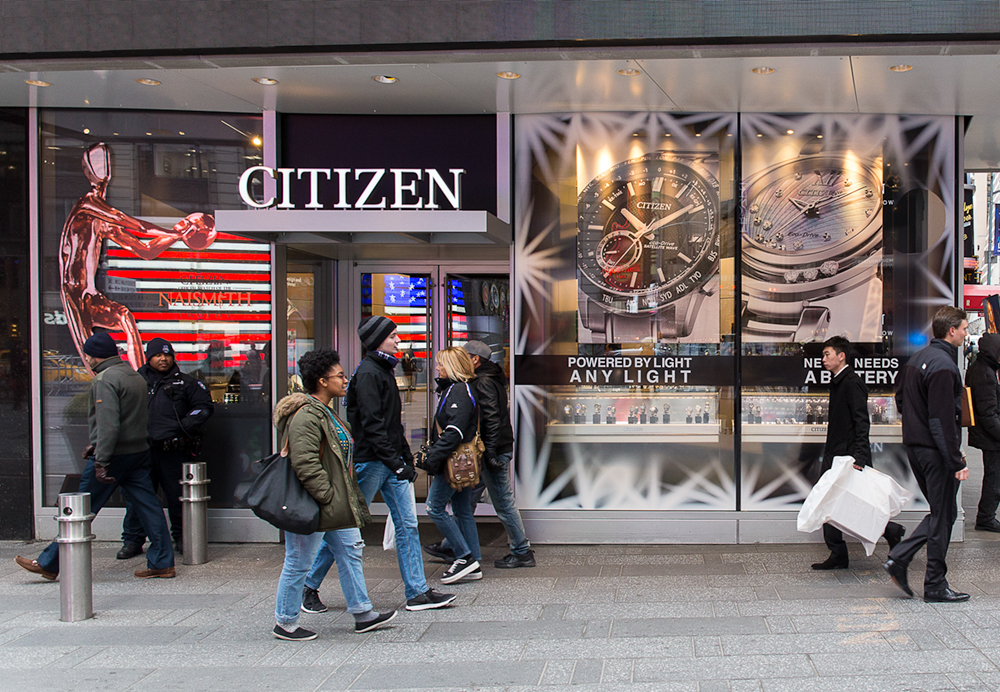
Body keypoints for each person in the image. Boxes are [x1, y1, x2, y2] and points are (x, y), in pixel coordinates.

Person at [302, 316, 455, 614]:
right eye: (393, 336)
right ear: (377, 340)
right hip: (372, 463)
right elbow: (373, 427)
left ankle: (417, 591)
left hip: (388, 461)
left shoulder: (381, 370)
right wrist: (397, 463)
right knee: (344, 526)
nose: (398, 340)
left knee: (408, 525)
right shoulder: (371, 374)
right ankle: (309, 584)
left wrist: (402, 459)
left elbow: (391, 424)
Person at [15, 332, 175, 580]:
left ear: (92, 356)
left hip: (114, 456)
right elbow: (131, 419)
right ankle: (162, 562)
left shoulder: (105, 379)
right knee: (149, 506)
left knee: (80, 508)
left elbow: (109, 423)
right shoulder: (134, 376)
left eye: (87, 355)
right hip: (139, 451)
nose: (86, 359)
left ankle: (48, 563)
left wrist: (101, 458)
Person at [271, 349, 396, 641]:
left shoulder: (325, 412)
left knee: (350, 550)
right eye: (339, 375)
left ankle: (363, 613)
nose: (345, 380)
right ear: (322, 381)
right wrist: (326, 495)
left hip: (331, 504)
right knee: (299, 560)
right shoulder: (306, 415)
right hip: (313, 504)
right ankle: (285, 622)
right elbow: (304, 461)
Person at [59, 142, 215, 372]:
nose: (104, 171)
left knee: (126, 318)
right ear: (89, 169)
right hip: (73, 291)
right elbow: (135, 225)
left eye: (105, 164)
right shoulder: (89, 204)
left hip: (91, 292)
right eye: (99, 164)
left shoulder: (102, 223)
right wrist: (174, 232)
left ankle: (142, 379)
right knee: (91, 360)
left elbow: (144, 250)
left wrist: (177, 235)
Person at [884, 306, 971, 603]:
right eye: (964, 328)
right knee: (943, 513)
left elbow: (900, 399)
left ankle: (904, 559)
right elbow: (942, 420)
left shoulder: (917, 360)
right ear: (951, 331)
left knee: (942, 512)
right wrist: (956, 461)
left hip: (916, 448)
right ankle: (932, 582)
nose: (966, 333)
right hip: (936, 452)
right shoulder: (945, 366)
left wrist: (915, 426)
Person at [423, 341, 534, 569]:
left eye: (465, 355)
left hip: (488, 452)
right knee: (466, 501)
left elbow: (491, 419)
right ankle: (455, 546)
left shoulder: (481, 382)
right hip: (485, 451)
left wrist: (491, 454)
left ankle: (521, 550)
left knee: (500, 501)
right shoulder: (485, 380)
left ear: (475, 360)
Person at [811, 335, 904, 570]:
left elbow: (862, 422)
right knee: (831, 502)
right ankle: (839, 553)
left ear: (841, 356)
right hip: (837, 454)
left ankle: (890, 531)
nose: (823, 359)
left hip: (849, 457)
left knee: (852, 503)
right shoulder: (838, 381)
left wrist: (860, 457)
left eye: (827, 354)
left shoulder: (852, 383)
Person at [118, 338, 214, 559]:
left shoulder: (186, 383)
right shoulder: (135, 380)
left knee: (177, 496)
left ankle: (181, 538)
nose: (163, 359)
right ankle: (133, 540)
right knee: (137, 498)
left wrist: (181, 427)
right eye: (158, 355)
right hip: (141, 450)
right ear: (148, 357)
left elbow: (204, 407)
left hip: (172, 450)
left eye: (167, 355)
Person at [416, 347, 483, 584]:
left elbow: (454, 430)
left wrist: (433, 456)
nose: (437, 368)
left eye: (441, 364)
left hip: (453, 461)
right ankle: (473, 561)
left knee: (434, 507)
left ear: (453, 367)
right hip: (462, 461)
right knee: (463, 510)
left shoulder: (458, 391)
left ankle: (464, 558)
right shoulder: (461, 389)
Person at [966, 333, 1000, 532]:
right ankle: (986, 517)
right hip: (990, 435)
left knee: (994, 475)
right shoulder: (985, 374)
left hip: (986, 432)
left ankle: (987, 515)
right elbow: (988, 412)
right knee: (994, 477)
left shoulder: (980, 367)